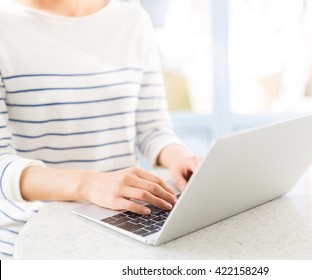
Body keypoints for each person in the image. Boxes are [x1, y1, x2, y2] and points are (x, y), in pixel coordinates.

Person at [0, 0, 200, 258]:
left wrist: (180, 158)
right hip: (29, 238)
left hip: (121, 229)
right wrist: (90, 185)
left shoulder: (133, 20)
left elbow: (153, 128)